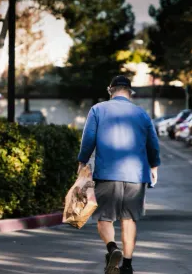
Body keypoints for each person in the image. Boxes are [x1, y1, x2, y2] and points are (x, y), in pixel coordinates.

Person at [77, 75, 161, 274]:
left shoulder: (98, 110)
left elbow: (88, 139)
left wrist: (82, 161)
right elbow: (153, 144)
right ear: (130, 92)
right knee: (128, 220)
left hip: (107, 173)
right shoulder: (141, 114)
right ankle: (128, 265)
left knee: (104, 218)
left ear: (110, 90)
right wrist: (154, 166)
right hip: (136, 174)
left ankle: (112, 248)